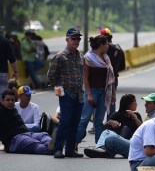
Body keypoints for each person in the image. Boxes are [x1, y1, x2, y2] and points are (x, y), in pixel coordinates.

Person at [47, 27, 85, 159]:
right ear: (67, 39)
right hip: (66, 94)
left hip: (79, 94)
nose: (76, 41)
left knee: (75, 122)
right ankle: (58, 149)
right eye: (73, 38)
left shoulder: (80, 56)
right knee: (65, 121)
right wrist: (59, 91)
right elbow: (51, 76)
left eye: (78, 38)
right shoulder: (60, 56)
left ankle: (70, 149)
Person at [77, 35, 116, 145]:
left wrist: (112, 94)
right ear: (101, 45)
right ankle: (73, 143)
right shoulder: (88, 58)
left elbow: (110, 79)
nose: (108, 46)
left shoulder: (106, 58)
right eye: (106, 44)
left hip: (104, 92)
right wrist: (89, 94)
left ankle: (99, 145)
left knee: (98, 122)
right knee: (84, 119)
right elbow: (85, 78)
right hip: (92, 92)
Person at [0, 89, 52, 155]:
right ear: (2, 101)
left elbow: (22, 124)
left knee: (43, 135)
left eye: (12, 100)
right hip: (14, 140)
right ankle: (54, 150)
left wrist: (30, 134)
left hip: (26, 134)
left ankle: (52, 145)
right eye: (8, 100)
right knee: (36, 144)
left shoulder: (13, 110)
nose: (10, 102)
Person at [101, 27, 126, 114]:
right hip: (114, 79)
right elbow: (122, 66)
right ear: (111, 36)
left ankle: (97, 125)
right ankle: (110, 123)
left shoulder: (99, 49)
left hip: (99, 79)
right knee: (111, 102)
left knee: (99, 102)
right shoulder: (118, 49)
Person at [0, 26, 18, 92]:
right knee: (3, 94)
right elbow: (12, 59)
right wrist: (15, 71)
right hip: (3, 72)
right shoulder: (6, 42)